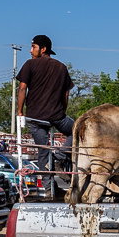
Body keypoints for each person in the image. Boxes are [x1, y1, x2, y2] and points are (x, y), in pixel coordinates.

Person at [15, 35, 74, 196]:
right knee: (76, 130)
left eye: (33, 47)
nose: (30, 50)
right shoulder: (61, 67)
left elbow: (22, 88)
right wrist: (62, 111)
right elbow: (66, 94)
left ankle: (49, 190)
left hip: (34, 117)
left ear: (43, 49)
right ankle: (58, 158)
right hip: (55, 116)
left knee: (43, 152)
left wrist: (20, 112)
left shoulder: (29, 64)